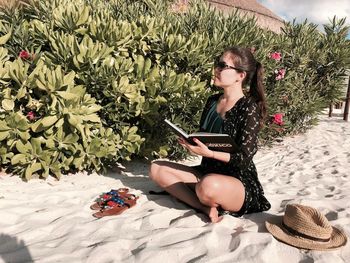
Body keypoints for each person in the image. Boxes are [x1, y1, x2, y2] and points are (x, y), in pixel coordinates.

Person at [149, 47, 271, 223]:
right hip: (206, 172)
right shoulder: (212, 101)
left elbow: (244, 157)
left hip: (237, 182)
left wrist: (210, 154)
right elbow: (205, 137)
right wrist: (193, 146)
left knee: (207, 186)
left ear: (240, 76)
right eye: (217, 64)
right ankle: (203, 206)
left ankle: (203, 196)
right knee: (156, 168)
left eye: (222, 66)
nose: (216, 69)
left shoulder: (248, 107)